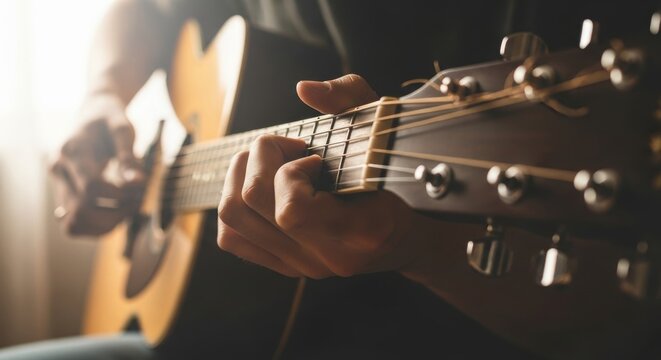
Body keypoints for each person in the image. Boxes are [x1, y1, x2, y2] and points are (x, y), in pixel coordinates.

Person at [3, 0, 660, 358]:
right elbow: (146, 10)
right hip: (212, 331)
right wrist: (99, 98)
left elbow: (627, 327)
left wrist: (424, 251)